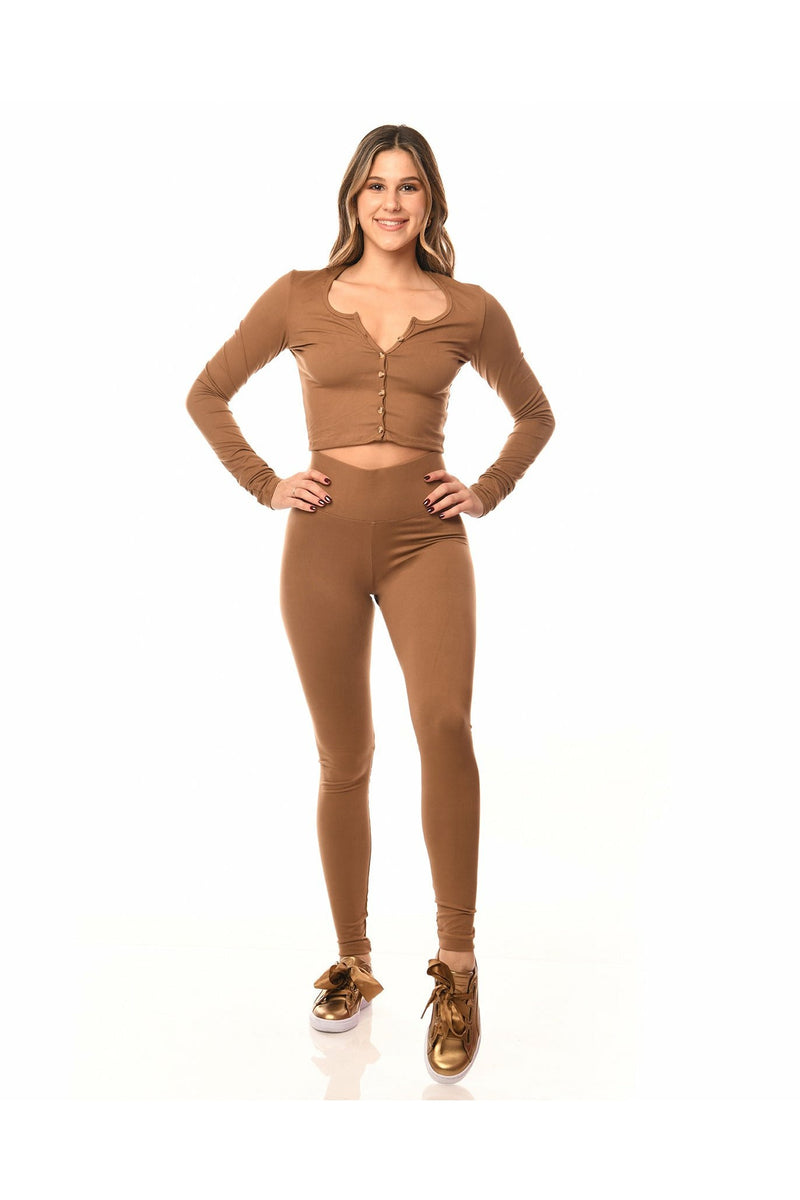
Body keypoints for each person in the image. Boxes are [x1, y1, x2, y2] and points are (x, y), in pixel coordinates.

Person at [185, 124, 555, 1084]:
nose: (393, 203)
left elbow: (535, 413)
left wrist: (486, 488)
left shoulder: (469, 309)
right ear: (354, 197)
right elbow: (208, 393)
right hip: (321, 545)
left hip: (427, 541)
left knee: (445, 725)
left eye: (411, 186)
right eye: (377, 186)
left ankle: (458, 968)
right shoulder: (300, 295)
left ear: (431, 202)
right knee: (344, 757)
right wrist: (267, 482)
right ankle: (353, 962)